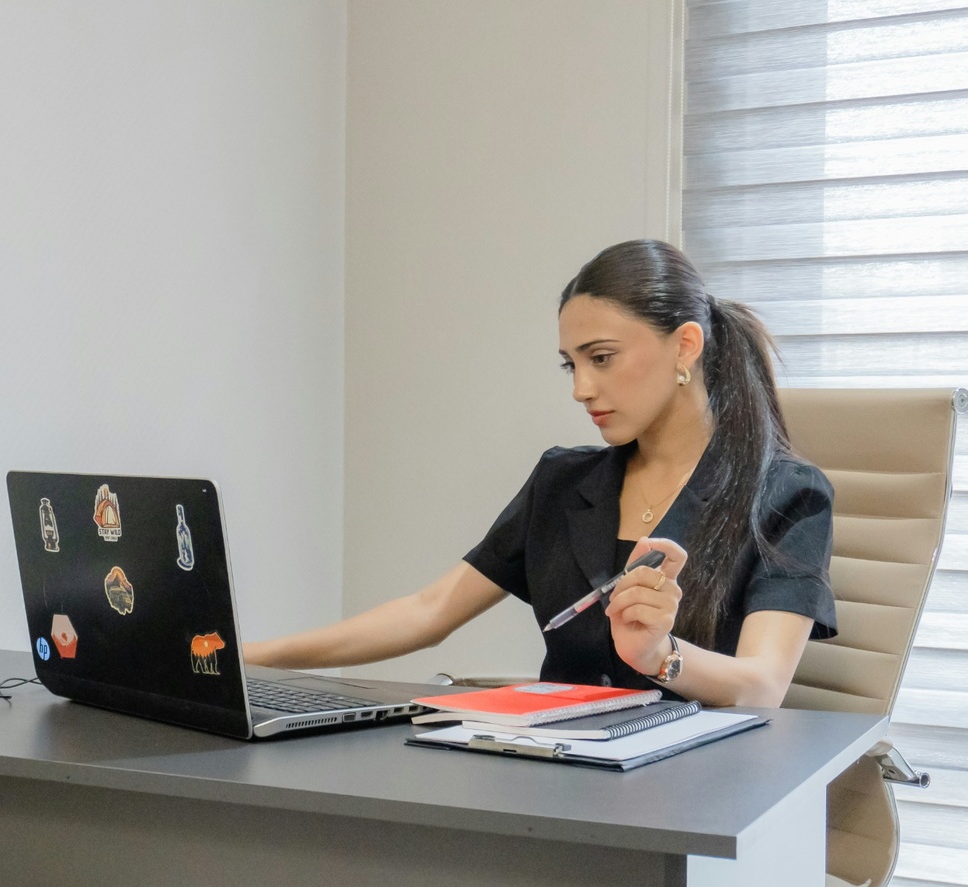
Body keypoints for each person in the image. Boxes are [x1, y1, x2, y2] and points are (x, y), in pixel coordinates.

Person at [242, 239, 836, 708]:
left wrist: (661, 655)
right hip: (560, 773)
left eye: (601, 358)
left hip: (698, 786)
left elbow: (762, 686)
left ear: (684, 346)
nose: (582, 389)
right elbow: (429, 611)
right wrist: (248, 658)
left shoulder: (788, 495)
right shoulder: (562, 482)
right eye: (571, 365)